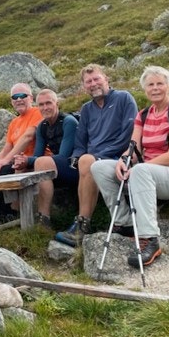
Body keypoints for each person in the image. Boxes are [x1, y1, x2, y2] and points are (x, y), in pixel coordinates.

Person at [89, 65, 169, 267]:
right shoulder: (143, 115)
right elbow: (133, 149)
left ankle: (150, 239)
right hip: (147, 174)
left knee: (140, 170)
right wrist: (123, 161)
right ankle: (126, 223)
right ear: (145, 89)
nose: (155, 88)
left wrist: (138, 168)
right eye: (150, 85)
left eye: (159, 84)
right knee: (99, 167)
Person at [55, 64, 138, 246]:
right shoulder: (86, 109)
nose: (93, 84)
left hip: (117, 157)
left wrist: (97, 155)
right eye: (88, 81)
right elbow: (81, 140)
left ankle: (82, 226)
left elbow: (129, 135)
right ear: (84, 86)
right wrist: (76, 157)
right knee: (83, 160)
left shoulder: (124, 98)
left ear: (106, 78)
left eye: (96, 79)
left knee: (87, 160)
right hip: (92, 159)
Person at [0, 82, 43, 224]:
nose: (18, 99)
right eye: (14, 97)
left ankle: (5, 213)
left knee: (4, 170)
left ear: (31, 98)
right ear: (11, 102)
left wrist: (5, 161)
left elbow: (28, 137)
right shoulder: (14, 122)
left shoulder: (37, 113)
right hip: (15, 160)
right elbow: (7, 147)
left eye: (22, 95)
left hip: (32, 161)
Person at [12, 88, 77, 228]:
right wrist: (23, 161)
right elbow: (37, 154)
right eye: (41, 105)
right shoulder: (42, 126)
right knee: (20, 168)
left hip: (74, 167)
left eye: (49, 103)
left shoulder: (68, 121)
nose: (45, 107)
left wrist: (30, 160)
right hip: (56, 166)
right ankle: (16, 213)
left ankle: (44, 218)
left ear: (57, 103)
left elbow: (64, 156)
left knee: (41, 162)